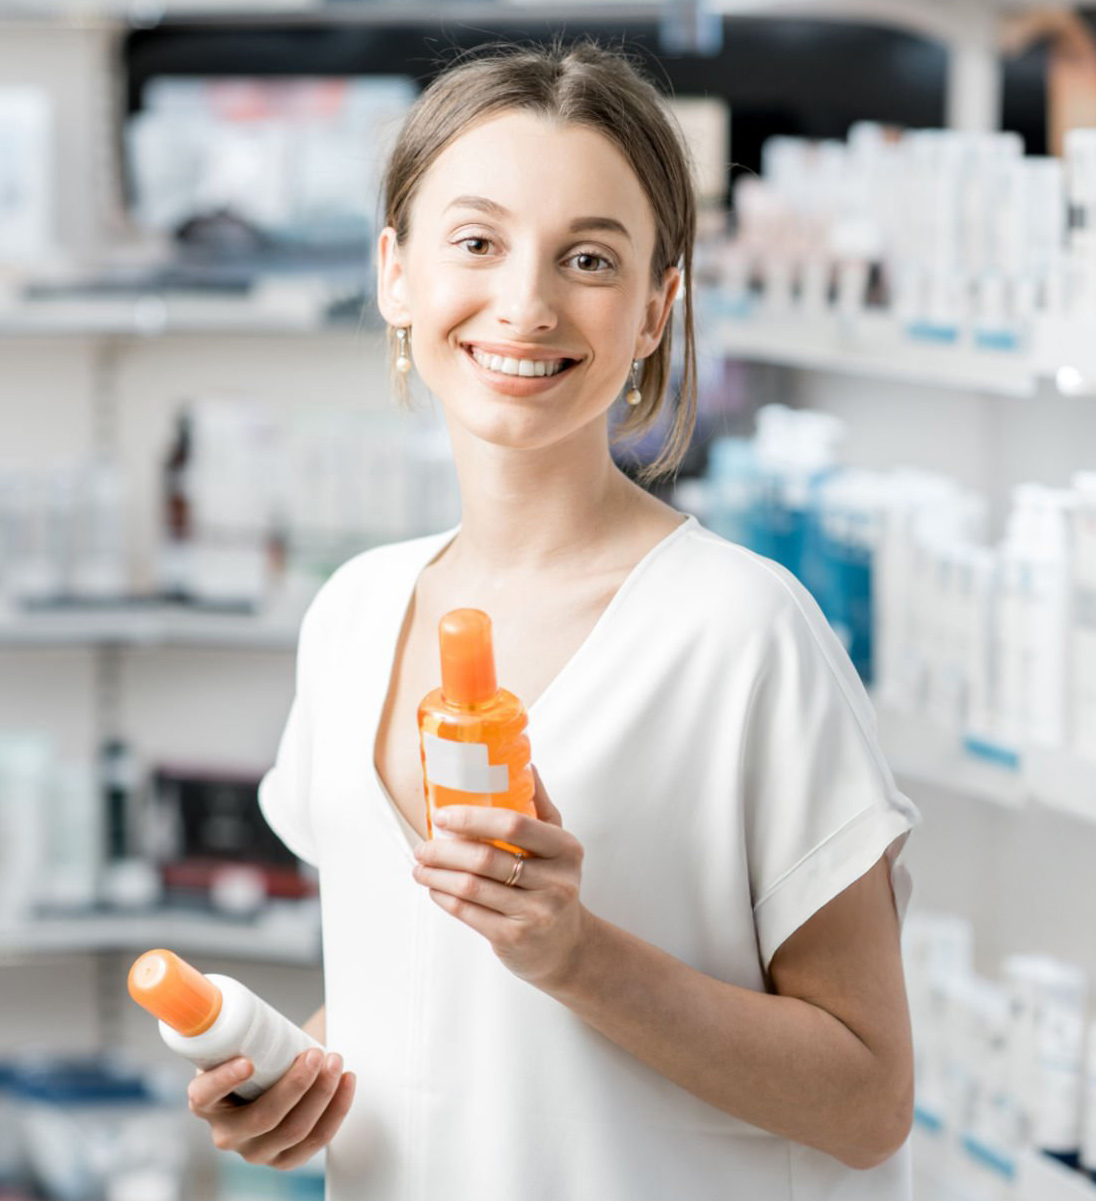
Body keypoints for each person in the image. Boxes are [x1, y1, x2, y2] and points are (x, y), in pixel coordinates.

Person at [187, 39, 922, 1200]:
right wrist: (300, 1079)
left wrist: (577, 955)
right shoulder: (353, 615)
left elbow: (869, 1100)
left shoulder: (740, 632)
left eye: (587, 257)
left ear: (652, 309)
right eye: (474, 242)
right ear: (395, 273)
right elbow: (422, 989)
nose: (523, 304)